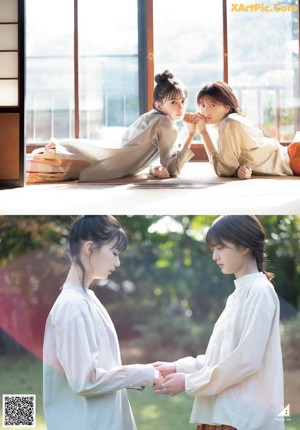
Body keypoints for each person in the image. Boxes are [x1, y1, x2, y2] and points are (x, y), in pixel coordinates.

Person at [154, 215, 284, 430]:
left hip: (240, 418)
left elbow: (246, 360)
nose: (215, 256)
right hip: (220, 413)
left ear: (244, 246)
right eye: (213, 249)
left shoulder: (260, 291)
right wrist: (178, 367)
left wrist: (188, 382)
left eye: (220, 247)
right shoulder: (238, 294)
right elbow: (223, 356)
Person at [43, 215, 162, 430]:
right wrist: (141, 374)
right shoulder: (73, 305)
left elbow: (101, 368)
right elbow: (84, 381)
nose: (117, 262)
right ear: (90, 248)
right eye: (114, 253)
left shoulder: (86, 298)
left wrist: (144, 372)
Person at [27, 70, 197, 183]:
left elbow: (156, 158)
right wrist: (190, 134)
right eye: (173, 102)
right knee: (49, 167)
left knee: (37, 164)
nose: (180, 107)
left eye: (182, 101)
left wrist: (156, 168)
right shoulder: (165, 123)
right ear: (159, 105)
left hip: (107, 154)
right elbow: (173, 168)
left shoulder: (152, 117)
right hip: (106, 161)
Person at [190, 80, 300, 179]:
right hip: (291, 156)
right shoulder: (223, 123)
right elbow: (228, 167)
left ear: (227, 108)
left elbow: (224, 170)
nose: (206, 111)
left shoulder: (229, 123)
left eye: (212, 105)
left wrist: (203, 133)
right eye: (202, 105)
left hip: (293, 159)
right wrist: (237, 170)